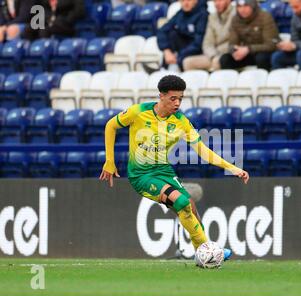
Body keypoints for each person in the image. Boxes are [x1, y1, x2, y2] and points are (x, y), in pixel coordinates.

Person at [99, 75, 249, 261]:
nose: (177, 103)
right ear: (161, 96)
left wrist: (231, 168)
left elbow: (203, 150)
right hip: (141, 175)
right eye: (173, 98)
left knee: (190, 206)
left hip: (164, 171)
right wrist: (110, 162)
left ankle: (205, 251)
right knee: (181, 202)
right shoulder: (138, 112)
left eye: (180, 99)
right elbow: (110, 126)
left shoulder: (181, 122)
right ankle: (208, 251)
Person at [219, 0, 279, 71]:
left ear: (253, 6)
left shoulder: (265, 17)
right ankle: (230, 81)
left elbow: (271, 45)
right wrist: (234, 50)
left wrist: (248, 49)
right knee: (225, 59)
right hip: (247, 53)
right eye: (239, 7)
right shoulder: (235, 20)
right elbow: (232, 44)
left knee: (261, 58)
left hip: (264, 52)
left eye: (246, 6)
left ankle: (263, 80)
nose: (242, 10)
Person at [156, 0, 208, 72]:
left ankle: (169, 67)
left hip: (193, 53)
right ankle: (165, 68)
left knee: (173, 35)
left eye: (189, 0)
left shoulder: (203, 15)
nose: (185, 3)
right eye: (183, 1)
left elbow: (199, 42)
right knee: (172, 34)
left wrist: (178, 56)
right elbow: (162, 30)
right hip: (177, 54)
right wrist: (166, 51)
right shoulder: (180, 14)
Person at [182, 0, 235, 71]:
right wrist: (213, 55)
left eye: (220, 0)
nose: (217, 4)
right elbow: (207, 43)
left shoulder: (236, 13)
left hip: (230, 54)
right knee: (187, 62)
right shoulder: (212, 17)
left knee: (218, 61)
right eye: (215, 1)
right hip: (214, 54)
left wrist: (218, 55)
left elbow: (235, 41)